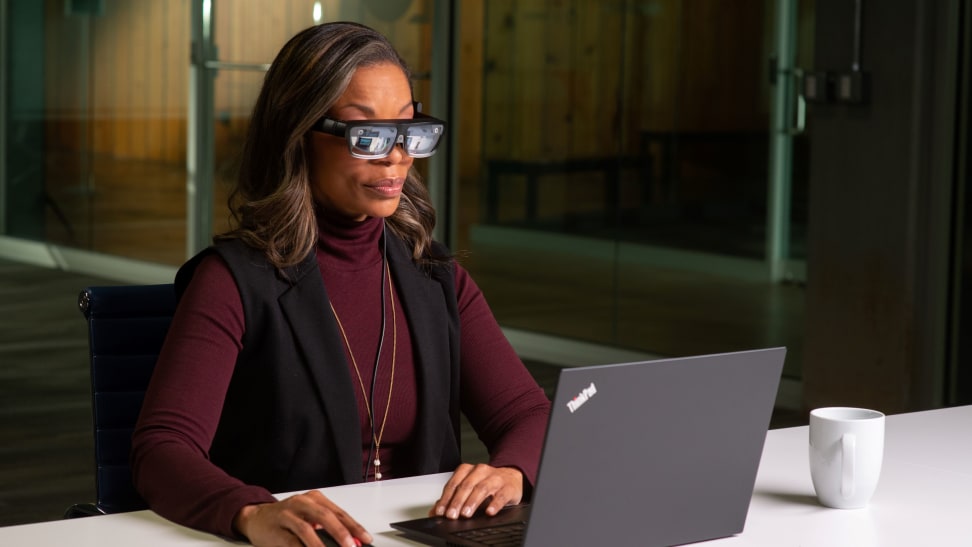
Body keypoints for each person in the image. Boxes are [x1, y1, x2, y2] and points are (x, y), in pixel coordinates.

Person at [131, 21, 551, 547]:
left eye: (408, 128)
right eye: (366, 134)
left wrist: (511, 472)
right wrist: (252, 511)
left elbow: (529, 414)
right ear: (299, 137)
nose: (397, 156)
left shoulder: (436, 276)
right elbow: (163, 449)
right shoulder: (231, 281)